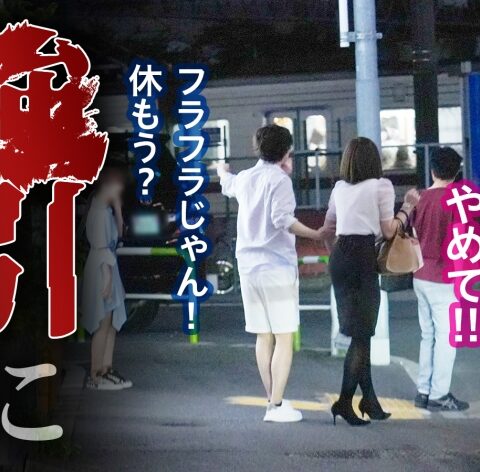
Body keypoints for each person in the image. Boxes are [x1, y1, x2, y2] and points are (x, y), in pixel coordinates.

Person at [217, 124, 322, 423]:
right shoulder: (279, 180)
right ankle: (275, 406)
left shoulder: (247, 177)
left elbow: (227, 184)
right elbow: (282, 219)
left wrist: (222, 170)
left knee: (264, 337)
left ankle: (273, 401)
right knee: (284, 337)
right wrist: (316, 233)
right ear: (287, 152)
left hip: (248, 266)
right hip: (275, 267)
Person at [323, 137, 420, 426]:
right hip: (362, 257)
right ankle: (343, 402)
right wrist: (408, 207)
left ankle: (369, 400)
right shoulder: (381, 186)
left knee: (360, 333)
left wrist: (335, 255)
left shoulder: (339, 188)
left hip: (340, 257)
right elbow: (389, 231)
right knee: (362, 334)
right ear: (374, 161)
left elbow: (328, 227)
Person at [412, 147, 469, 411]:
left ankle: (423, 390)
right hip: (444, 278)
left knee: (428, 335)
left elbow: (412, 235)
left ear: (432, 170)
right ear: (456, 172)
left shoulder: (420, 198)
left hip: (420, 275)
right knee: (447, 338)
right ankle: (439, 393)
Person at [81, 163, 132, 390]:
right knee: (103, 322)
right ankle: (96, 374)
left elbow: (119, 235)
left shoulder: (105, 210)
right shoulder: (99, 212)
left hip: (108, 267)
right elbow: (101, 247)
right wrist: (108, 279)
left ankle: (106, 368)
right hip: (103, 269)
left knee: (110, 323)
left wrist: (118, 209)